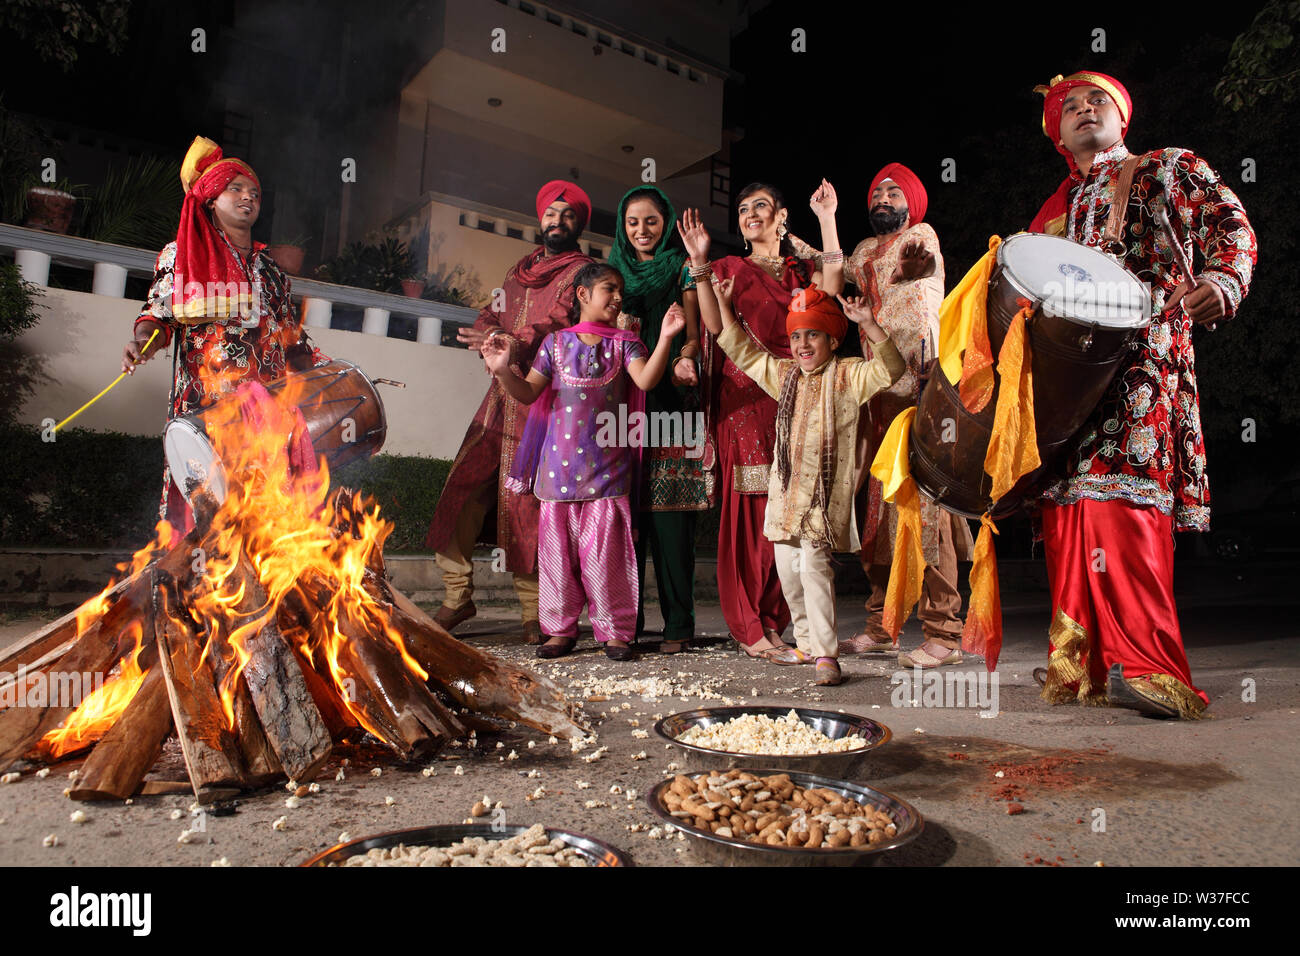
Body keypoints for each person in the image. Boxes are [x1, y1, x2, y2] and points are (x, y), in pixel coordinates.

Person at [1027, 71, 1256, 717]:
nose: (1082, 109)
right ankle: (1081, 667)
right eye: (1068, 106)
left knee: (1122, 499)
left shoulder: (1166, 167)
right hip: (1066, 379)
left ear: (1123, 117)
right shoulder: (1055, 213)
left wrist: (1223, 278)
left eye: (1097, 99)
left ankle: (1152, 666)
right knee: (1069, 509)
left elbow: (1229, 223)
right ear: (1056, 133)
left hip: (1141, 362)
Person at [121, 135, 326, 538]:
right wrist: (141, 342)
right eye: (236, 188)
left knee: (264, 520)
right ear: (212, 198)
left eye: (255, 192)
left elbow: (293, 338)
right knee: (207, 520)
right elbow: (157, 317)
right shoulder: (182, 255)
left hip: (266, 415)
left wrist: (327, 373)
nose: (248, 196)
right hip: (206, 411)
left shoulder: (272, 273)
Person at [483, 263, 685, 660]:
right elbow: (526, 394)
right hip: (557, 473)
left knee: (607, 553)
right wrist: (503, 369)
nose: (617, 297)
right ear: (582, 295)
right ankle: (559, 630)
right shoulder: (555, 344)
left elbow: (644, 381)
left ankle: (615, 633)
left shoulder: (626, 343)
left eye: (620, 291)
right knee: (558, 556)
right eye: (609, 289)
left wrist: (664, 339)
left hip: (608, 471)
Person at [678, 180, 845, 661]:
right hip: (746, 397)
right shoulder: (730, 267)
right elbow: (713, 326)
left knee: (790, 513)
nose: (752, 214)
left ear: (781, 215)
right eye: (744, 209)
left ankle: (774, 622)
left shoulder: (801, 273)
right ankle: (748, 627)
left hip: (794, 397)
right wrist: (699, 262)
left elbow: (830, 296)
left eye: (762, 207)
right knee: (752, 512)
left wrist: (829, 218)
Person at [424, 181, 592, 644]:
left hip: (546, 398)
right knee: (462, 486)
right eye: (551, 214)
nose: (557, 222)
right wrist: (487, 331)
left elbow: (560, 321)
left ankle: (535, 611)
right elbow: (491, 312)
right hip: (501, 395)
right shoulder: (518, 273)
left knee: (529, 505)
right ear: (540, 219)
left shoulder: (584, 273)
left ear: (579, 223)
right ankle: (458, 596)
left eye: (568, 216)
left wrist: (512, 341)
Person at [713, 282, 904, 685]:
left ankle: (827, 656)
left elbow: (891, 369)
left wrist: (869, 324)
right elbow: (742, 352)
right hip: (785, 498)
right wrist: (725, 306)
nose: (802, 343)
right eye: (796, 335)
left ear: (833, 339)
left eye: (812, 334)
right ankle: (806, 641)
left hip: (822, 499)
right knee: (789, 571)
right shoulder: (784, 375)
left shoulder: (849, 374)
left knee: (816, 568)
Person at [831, 163, 974, 668]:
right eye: (876, 193)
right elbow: (834, 278)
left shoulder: (921, 234)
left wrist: (921, 269)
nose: (883, 198)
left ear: (912, 203)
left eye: (894, 191)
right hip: (878, 392)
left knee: (930, 511)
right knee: (879, 511)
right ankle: (881, 626)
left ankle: (944, 633)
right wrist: (822, 222)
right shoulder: (864, 251)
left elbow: (927, 266)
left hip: (926, 388)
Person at [608, 185, 709, 654]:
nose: (641, 230)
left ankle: (678, 625)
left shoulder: (683, 268)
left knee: (671, 520)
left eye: (650, 221)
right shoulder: (612, 274)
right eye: (632, 222)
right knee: (624, 521)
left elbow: (693, 331)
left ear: (665, 223)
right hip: (621, 406)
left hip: (671, 400)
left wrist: (683, 361)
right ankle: (625, 624)